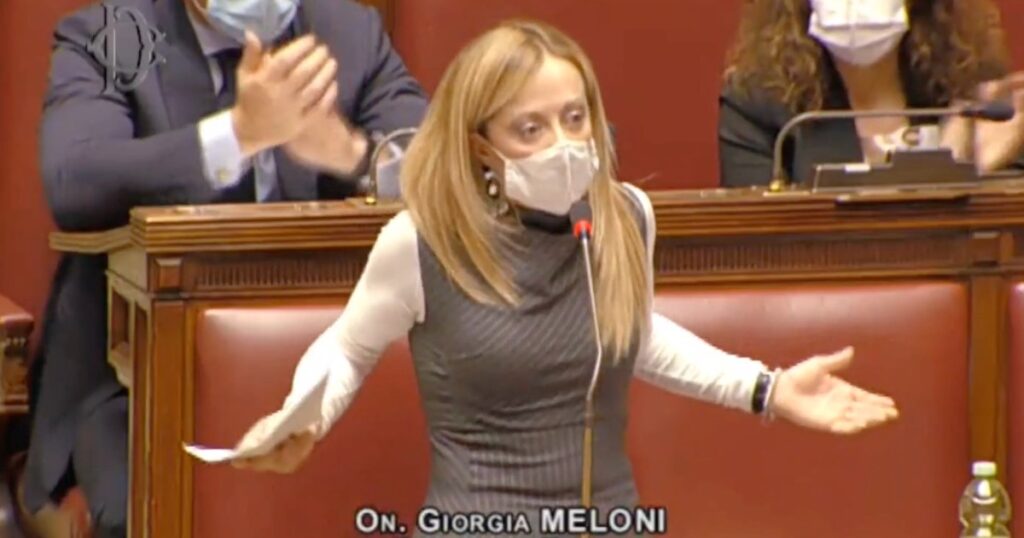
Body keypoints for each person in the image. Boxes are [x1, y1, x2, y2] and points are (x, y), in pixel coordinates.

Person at [226, 19, 899, 534]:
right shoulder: (424, 240)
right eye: (531, 129)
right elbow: (349, 346)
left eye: (575, 119)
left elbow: (626, 331)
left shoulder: (625, 215)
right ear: (480, 147)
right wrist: (305, 414)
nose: (564, 144)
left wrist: (767, 389)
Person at [25, 0, 427, 535]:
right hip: (134, 380)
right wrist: (237, 136)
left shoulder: (347, 32)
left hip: (333, 370)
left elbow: (443, 174)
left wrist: (350, 153)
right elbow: (74, 180)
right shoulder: (113, 35)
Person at [718, 0, 1024, 188]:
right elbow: (761, 252)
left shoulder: (976, 95)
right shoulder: (757, 105)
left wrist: (977, 177)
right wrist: (942, 177)